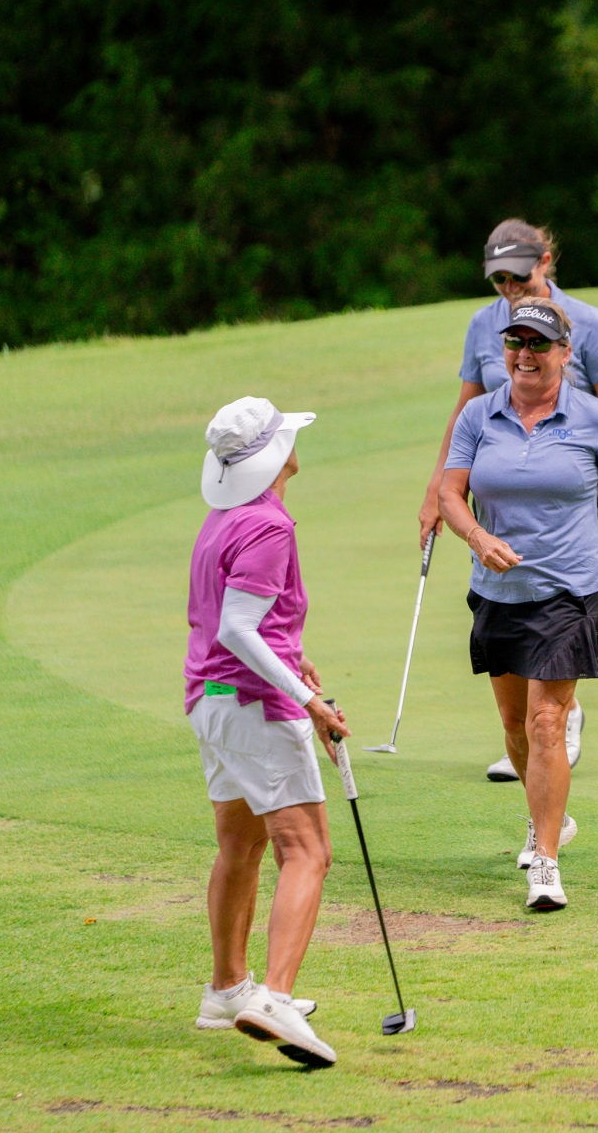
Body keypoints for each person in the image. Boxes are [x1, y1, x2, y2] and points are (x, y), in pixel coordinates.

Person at [438, 297, 598, 910]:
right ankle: (549, 817)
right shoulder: (478, 416)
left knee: (547, 721)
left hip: (568, 590)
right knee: (515, 727)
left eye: (539, 343)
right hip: (497, 591)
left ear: (566, 353)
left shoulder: (594, 418)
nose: (525, 353)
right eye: (515, 342)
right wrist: (477, 537)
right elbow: (450, 494)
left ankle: (544, 861)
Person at [419, 218, 598, 782]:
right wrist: (439, 490)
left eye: (518, 275)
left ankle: (555, 718)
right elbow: (465, 410)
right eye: (499, 280)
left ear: (544, 262)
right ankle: (539, 722)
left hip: (568, 476)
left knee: (554, 596)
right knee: (510, 592)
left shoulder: (586, 321)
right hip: (500, 473)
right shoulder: (482, 325)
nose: (510, 288)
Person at [184, 395, 350, 1068]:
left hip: (213, 701)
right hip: (256, 706)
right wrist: (309, 699)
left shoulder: (223, 518)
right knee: (308, 851)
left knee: (241, 844)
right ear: (276, 455)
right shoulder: (269, 526)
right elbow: (237, 628)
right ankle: (274, 998)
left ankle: (227, 990)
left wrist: (292, 657)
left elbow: (241, 622)